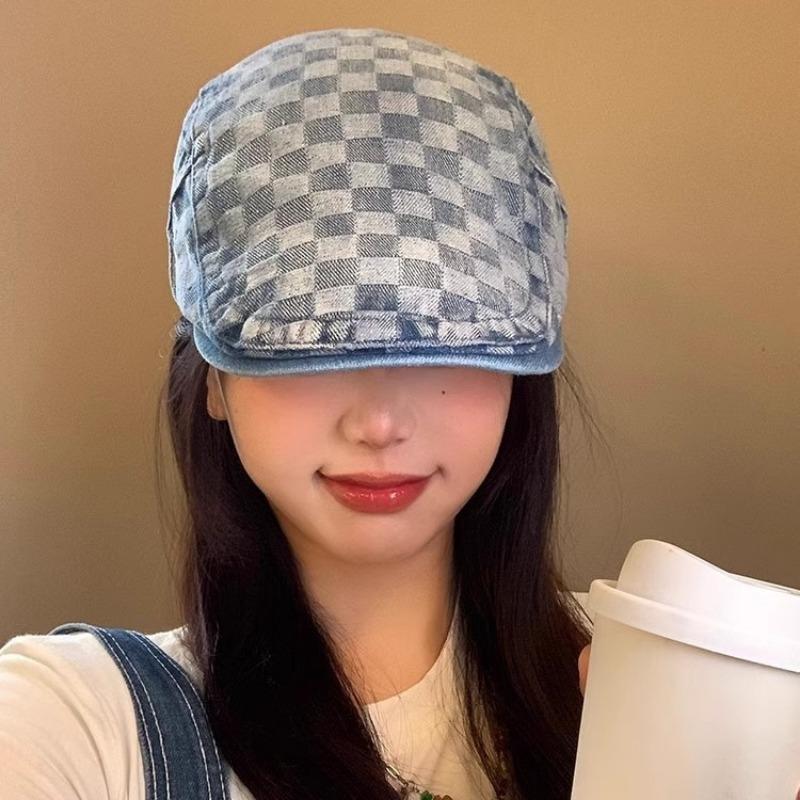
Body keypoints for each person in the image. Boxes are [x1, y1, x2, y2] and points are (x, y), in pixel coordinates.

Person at [0, 27, 599, 800]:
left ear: (519, 371)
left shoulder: (650, 676)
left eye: (442, 347)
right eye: (310, 348)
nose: (378, 425)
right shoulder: (74, 721)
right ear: (213, 380)